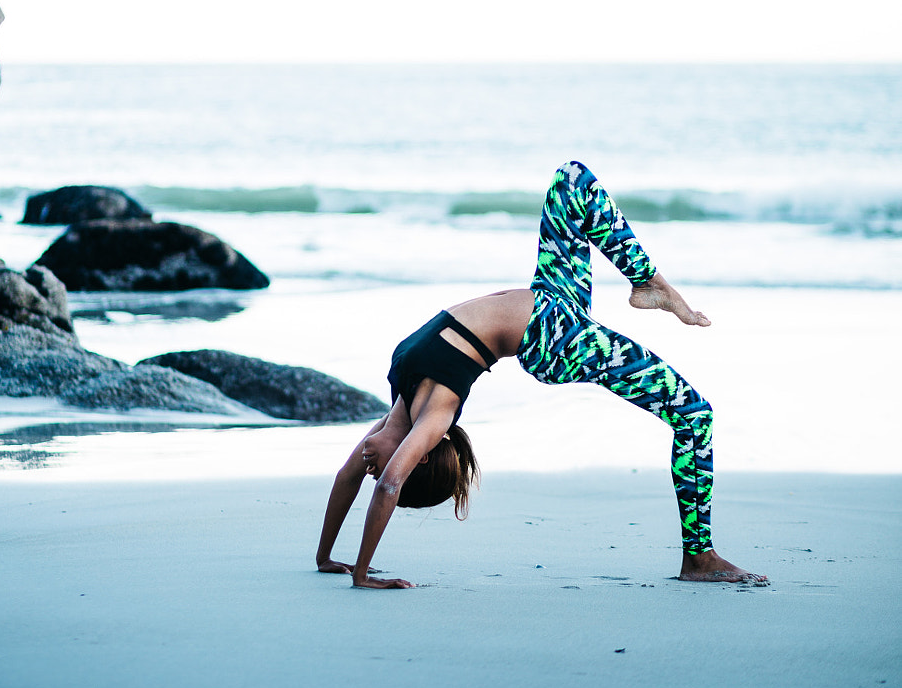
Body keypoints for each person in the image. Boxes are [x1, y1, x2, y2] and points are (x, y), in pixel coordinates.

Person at [315, 160, 768, 590]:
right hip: (556, 338)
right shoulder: (434, 414)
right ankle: (699, 557)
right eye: (383, 470)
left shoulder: (403, 398)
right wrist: (362, 575)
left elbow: (346, 476)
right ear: (421, 458)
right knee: (694, 414)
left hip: (553, 297)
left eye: (374, 470)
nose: (372, 469)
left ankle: (647, 283)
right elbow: (392, 482)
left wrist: (327, 558)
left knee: (571, 181)